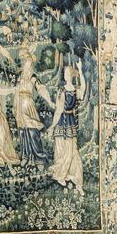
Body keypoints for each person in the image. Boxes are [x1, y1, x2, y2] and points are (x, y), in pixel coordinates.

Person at [49, 60, 84, 192]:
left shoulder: (66, 90)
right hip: (66, 122)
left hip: (65, 122)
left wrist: (52, 126)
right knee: (63, 150)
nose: (64, 75)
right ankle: (61, 174)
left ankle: (65, 174)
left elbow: (58, 111)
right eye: (64, 73)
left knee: (69, 150)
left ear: (70, 75)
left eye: (66, 73)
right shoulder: (70, 90)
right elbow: (58, 110)